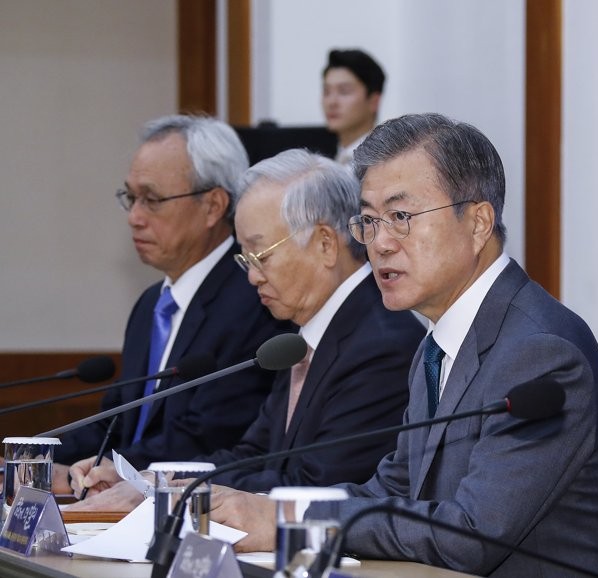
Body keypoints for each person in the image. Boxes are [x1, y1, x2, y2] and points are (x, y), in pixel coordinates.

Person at [209, 113, 598, 577]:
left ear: (478, 223)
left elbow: (473, 534)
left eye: (400, 217)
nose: (380, 244)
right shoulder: (436, 346)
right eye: (369, 221)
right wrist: (265, 509)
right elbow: (392, 490)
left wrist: (288, 520)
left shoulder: (540, 352)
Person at [68, 149, 423, 503]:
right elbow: (251, 454)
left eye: (261, 256)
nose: (252, 276)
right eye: (245, 258)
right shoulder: (306, 336)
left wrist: (165, 491)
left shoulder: (382, 346)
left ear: (325, 244)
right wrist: (148, 479)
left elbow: (315, 483)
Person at [51, 115, 291, 495]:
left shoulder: (255, 299)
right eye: (131, 198)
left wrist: (114, 471)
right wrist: (37, 458)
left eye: (152, 200)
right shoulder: (151, 305)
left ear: (213, 206)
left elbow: (210, 433)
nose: (134, 217)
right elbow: (116, 421)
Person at [322, 48, 385, 170]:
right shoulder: (324, 160)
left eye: (344, 91)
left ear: (374, 101)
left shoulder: (384, 162)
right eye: (326, 92)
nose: (332, 102)